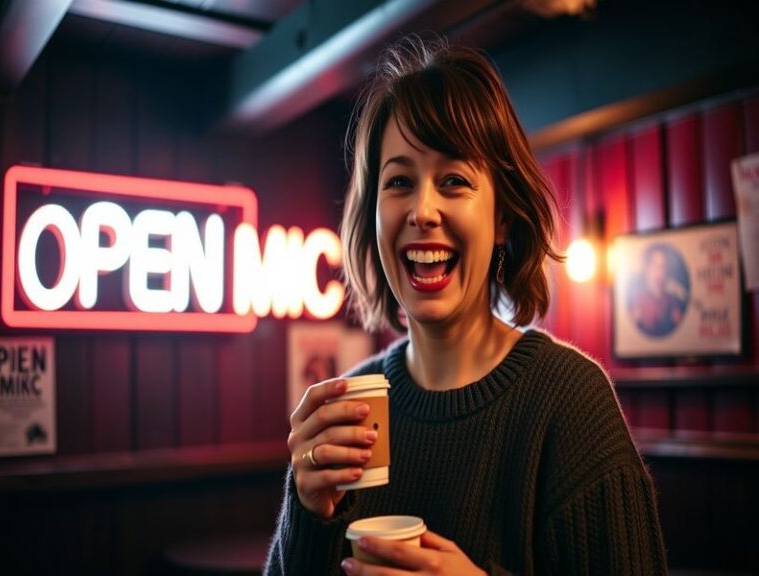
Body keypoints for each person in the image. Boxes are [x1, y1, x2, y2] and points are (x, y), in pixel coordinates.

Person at [265, 35, 667, 575]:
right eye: (399, 181)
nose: (423, 210)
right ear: (371, 217)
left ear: (502, 218)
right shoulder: (355, 408)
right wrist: (307, 512)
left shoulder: (569, 404)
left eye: (454, 181)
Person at [630, 245, 687, 337]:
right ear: (647, 269)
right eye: (655, 266)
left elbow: (685, 333)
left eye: (662, 266)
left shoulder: (672, 300)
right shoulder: (639, 301)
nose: (659, 271)